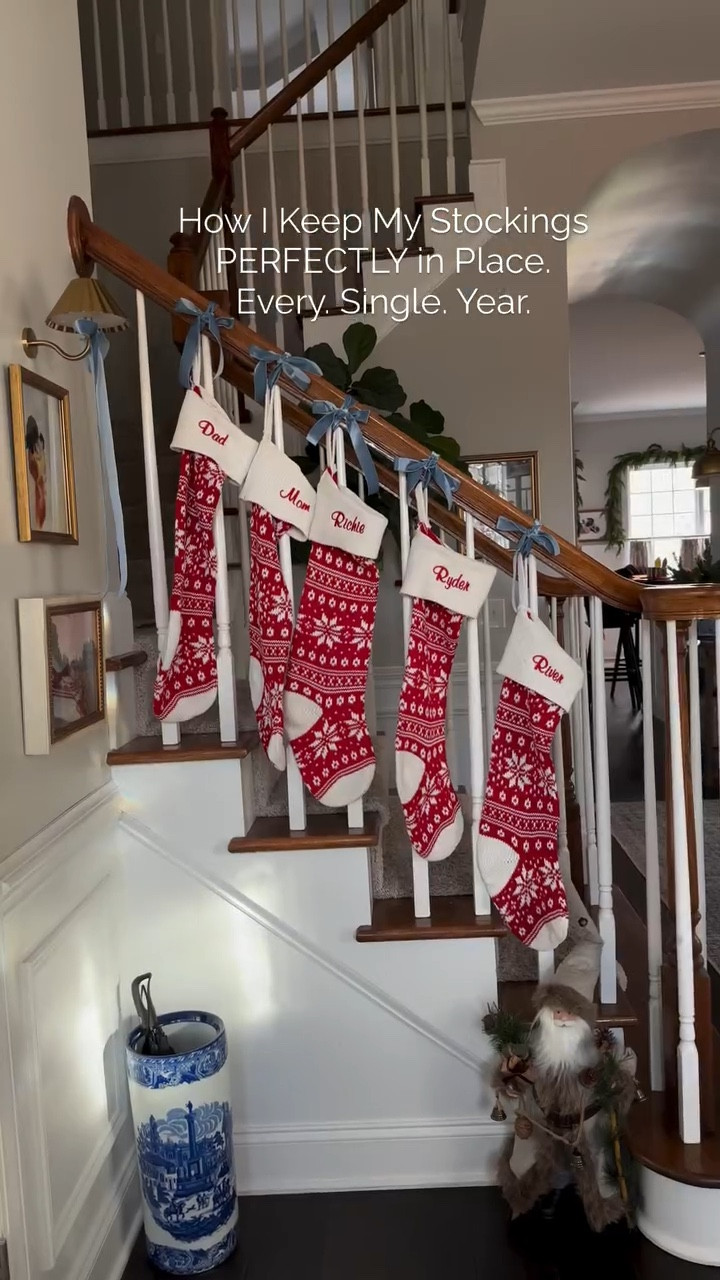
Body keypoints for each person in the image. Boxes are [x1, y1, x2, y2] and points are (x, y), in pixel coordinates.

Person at [25, 415, 47, 529]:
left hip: (39, 477)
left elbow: (39, 460)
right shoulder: (32, 451)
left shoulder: (34, 447)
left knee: (40, 496)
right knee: (40, 497)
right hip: (38, 477)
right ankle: (39, 523)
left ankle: (40, 523)